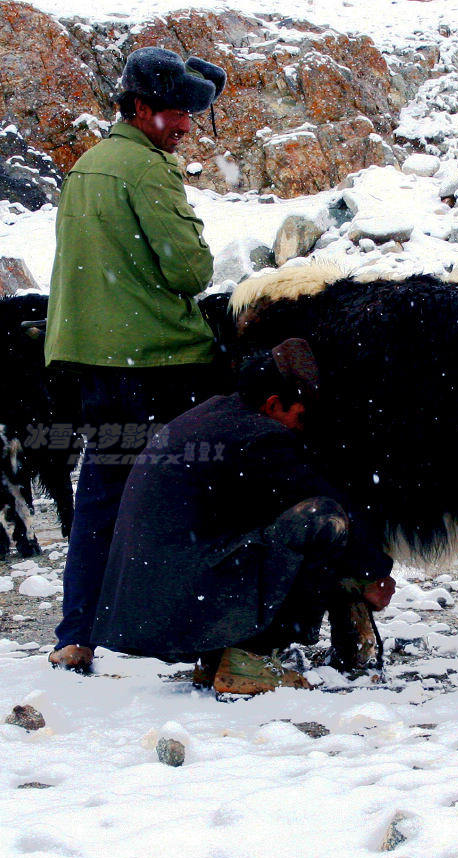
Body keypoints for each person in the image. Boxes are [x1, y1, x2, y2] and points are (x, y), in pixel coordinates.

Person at [45, 47, 228, 672]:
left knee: (102, 495)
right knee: (191, 491)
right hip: (161, 363)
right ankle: (202, 638)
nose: (183, 126)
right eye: (175, 111)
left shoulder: (88, 166)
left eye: (189, 114)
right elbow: (190, 269)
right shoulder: (148, 170)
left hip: (96, 363)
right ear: (141, 107)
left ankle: (76, 635)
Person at [91, 339, 396, 694]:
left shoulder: (216, 415)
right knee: (323, 520)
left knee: (262, 528)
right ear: (272, 403)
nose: (300, 426)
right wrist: (373, 573)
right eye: (298, 415)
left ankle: (220, 654)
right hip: (177, 605)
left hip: (154, 608)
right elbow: (323, 501)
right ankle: (254, 658)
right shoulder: (260, 438)